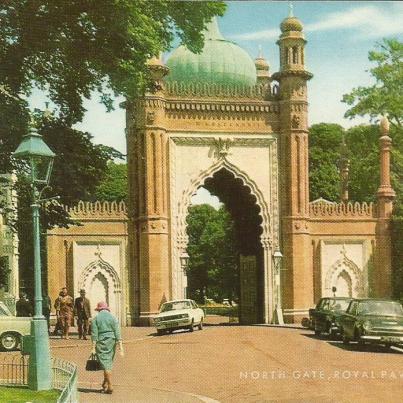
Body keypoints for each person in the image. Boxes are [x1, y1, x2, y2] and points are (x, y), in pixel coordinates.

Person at [91, 301, 124, 394]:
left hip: (101, 342)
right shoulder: (113, 318)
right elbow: (117, 332)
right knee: (108, 362)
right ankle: (104, 384)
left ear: (99, 310)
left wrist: (93, 347)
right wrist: (120, 346)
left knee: (106, 364)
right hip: (112, 341)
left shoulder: (95, 319)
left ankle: (110, 385)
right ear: (106, 309)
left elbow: (94, 335)